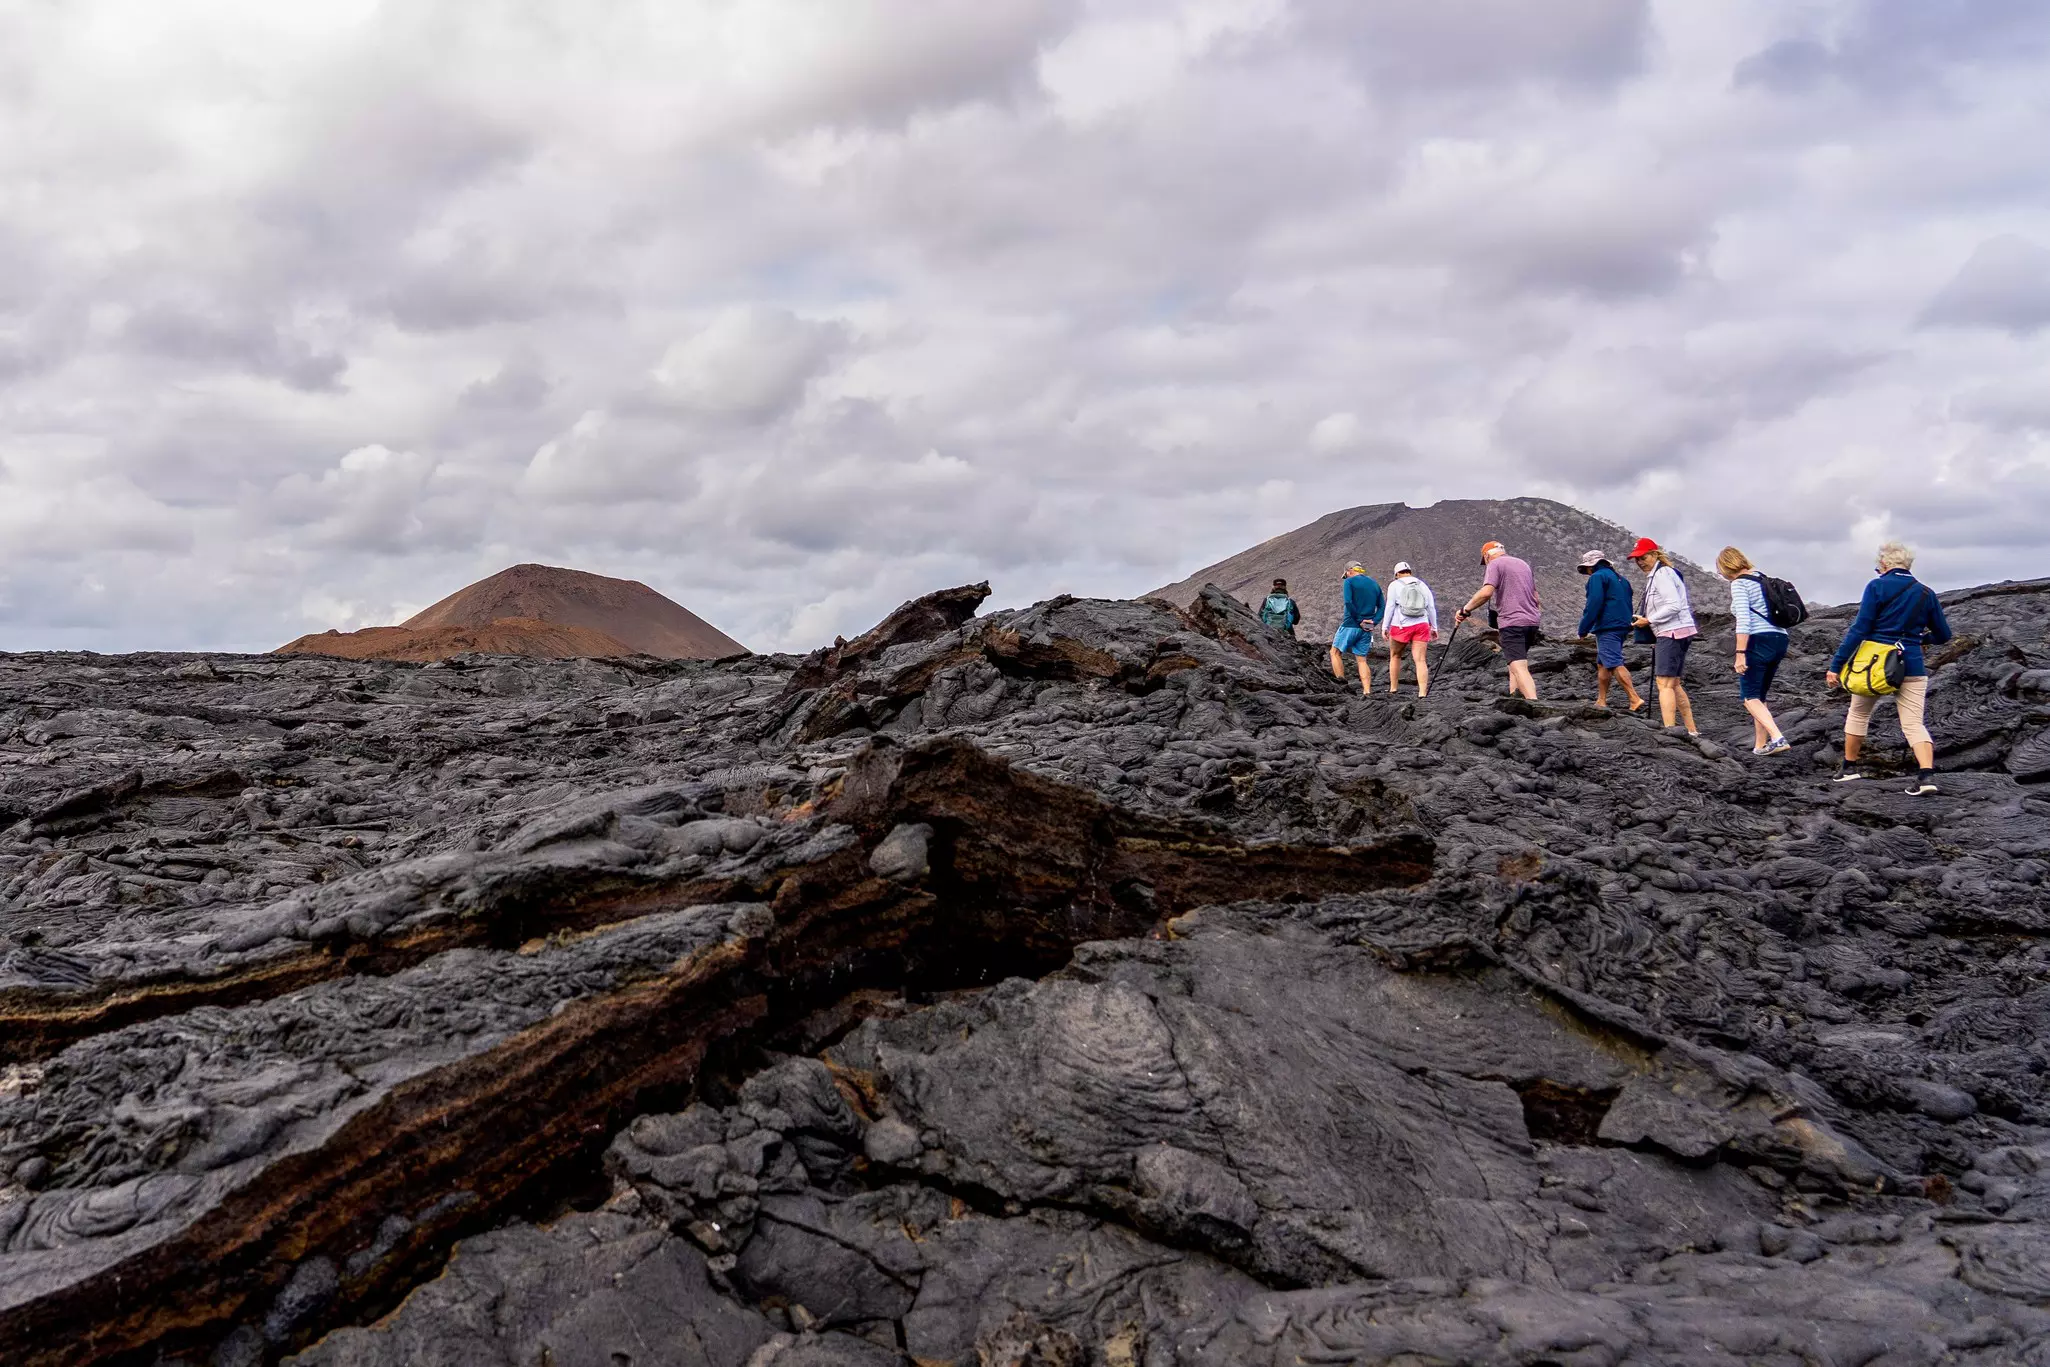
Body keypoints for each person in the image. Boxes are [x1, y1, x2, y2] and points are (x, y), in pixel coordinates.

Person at [1825, 540, 1953, 794]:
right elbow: (1944, 634)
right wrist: (1920, 640)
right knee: (1914, 723)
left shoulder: (1877, 586)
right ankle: (1926, 776)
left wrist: (1836, 665)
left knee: (1859, 714)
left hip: (1874, 665)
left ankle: (1849, 768)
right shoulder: (1926, 593)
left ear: (1883, 564)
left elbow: (1860, 629)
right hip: (1912, 665)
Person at [1717, 547, 1791, 756]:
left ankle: (1777, 738)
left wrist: (1740, 653)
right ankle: (1760, 745)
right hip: (1780, 637)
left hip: (1758, 640)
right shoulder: (1762, 579)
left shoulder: (1740, 584)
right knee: (1760, 695)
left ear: (1725, 567)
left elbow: (1744, 619)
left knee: (1749, 696)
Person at [1628, 537, 1698, 737]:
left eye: (1643, 557)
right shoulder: (1663, 573)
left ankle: (1670, 730)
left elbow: (1673, 605)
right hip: (1677, 631)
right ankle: (1691, 729)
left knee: (1664, 683)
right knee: (1674, 683)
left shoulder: (1662, 575)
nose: (1640, 562)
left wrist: (1649, 620)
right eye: (1637, 559)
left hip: (1672, 631)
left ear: (1654, 554)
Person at [1454, 541, 1540, 700]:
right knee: (1514, 664)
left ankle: (1534, 704)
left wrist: (1465, 610)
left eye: (1484, 560)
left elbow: (1486, 593)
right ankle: (1516, 700)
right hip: (1532, 621)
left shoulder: (1495, 564)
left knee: (1519, 666)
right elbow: (1536, 596)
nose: (1486, 563)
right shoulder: (1523, 564)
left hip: (1512, 621)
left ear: (1487, 555)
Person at [1574, 550, 1645, 714]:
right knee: (1603, 662)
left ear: (1591, 567)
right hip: (1622, 624)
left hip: (1608, 626)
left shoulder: (1597, 577)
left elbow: (1594, 603)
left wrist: (1583, 628)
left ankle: (1634, 698)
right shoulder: (1622, 580)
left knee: (1613, 662)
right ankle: (1601, 700)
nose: (1587, 573)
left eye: (1587, 570)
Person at [1379, 561, 1437, 697]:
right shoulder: (1422, 585)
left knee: (1395, 655)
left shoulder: (1394, 585)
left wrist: (1385, 626)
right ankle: (1422, 692)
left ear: (1397, 574)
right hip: (1422, 625)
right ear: (1409, 571)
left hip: (1400, 626)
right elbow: (1431, 607)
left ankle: (1393, 688)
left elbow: (1390, 607)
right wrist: (1434, 626)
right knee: (1421, 660)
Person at [1328, 563, 1384, 695]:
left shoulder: (1349, 582)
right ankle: (1367, 691)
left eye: (1346, 574)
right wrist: (1373, 622)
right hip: (1367, 627)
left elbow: (1348, 602)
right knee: (1362, 659)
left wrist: (1359, 621)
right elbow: (1382, 606)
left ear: (1349, 571)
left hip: (1351, 623)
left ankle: (1342, 687)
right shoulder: (1374, 584)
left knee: (1335, 652)